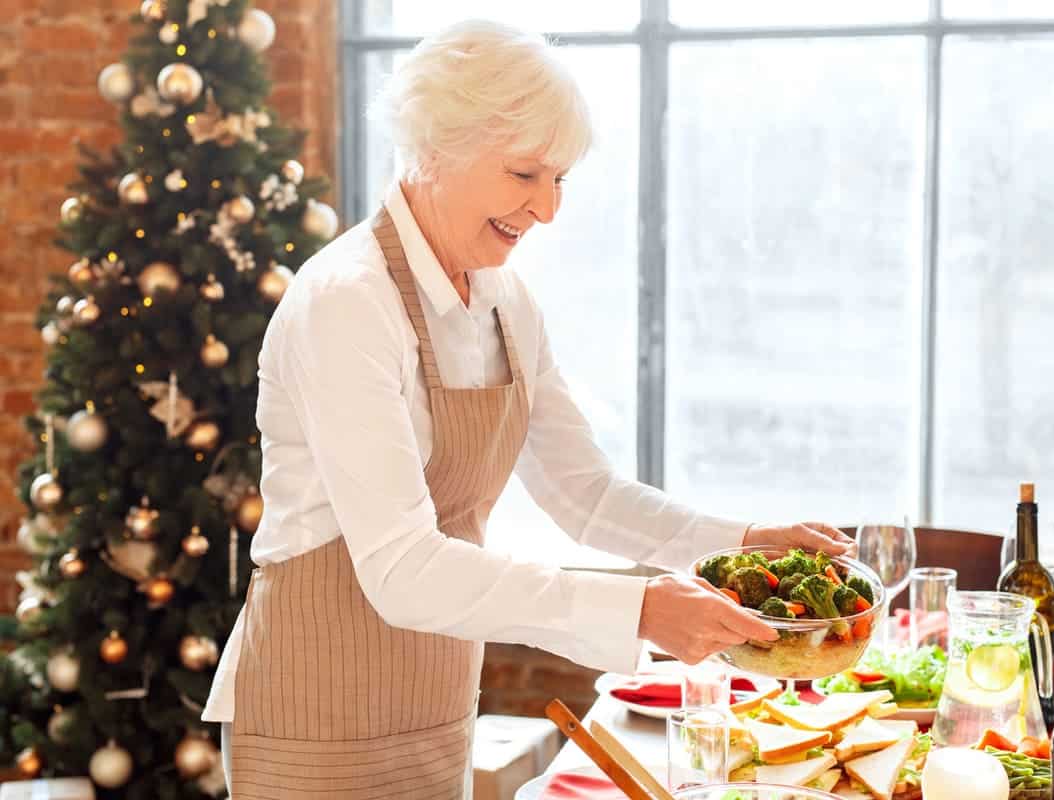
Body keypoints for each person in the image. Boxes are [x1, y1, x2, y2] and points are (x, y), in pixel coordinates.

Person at [201, 19, 855, 799]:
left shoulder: (505, 302)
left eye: (560, 180)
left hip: (437, 696)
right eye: (524, 175)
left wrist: (743, 543)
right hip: (317, 711)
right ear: (436, 149)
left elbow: (586, 495)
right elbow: (402, 571)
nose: (547, 209)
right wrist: (640, 609)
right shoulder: (348, 303)